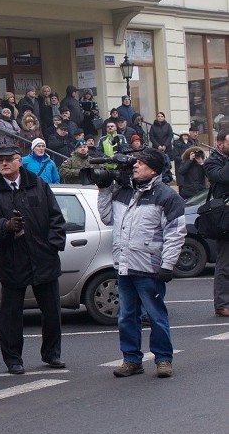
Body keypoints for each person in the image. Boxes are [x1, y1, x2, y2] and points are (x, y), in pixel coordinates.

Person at [97, 148, 186, 378]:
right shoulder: (123, 190)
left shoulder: (167, 196)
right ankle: (131, 360)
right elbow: (106, 217)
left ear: (154, 169)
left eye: (141, 163)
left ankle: (163, 359)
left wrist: (167, 265)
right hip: (124, 265)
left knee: (156, 316)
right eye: (134, 162)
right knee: (126, 315)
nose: (135, 165)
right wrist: (104, 188)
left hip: (150, 268)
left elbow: (175, 233)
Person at [0, 145, 67, 374]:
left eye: (9, 159)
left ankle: (52, 354)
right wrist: (6, 226)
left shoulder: (37, 184)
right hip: (12, 260)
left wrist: (53, 246)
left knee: (51, 311)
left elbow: (56, 218)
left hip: (43, 257)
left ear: (19, 161)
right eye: (0, 160)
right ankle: (13, 360)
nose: (4, 163)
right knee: (11, 315)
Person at [204, 130, 229, 317]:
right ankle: (221, 304)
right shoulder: (212, 162)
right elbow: (223, 177)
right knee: (225, 262)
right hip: (225, 218)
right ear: (220, 144)